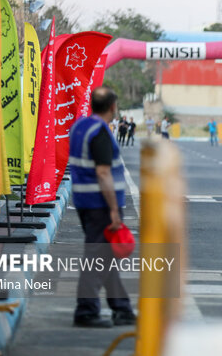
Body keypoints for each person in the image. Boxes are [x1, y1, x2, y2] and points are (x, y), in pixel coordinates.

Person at [69, 86, 135, 328]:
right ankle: (86, 310)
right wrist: (114, 210)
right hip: (100, 205)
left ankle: (122, 308)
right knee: (98, 258)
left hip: (84, 202)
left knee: (105, 256)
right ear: (112, 107)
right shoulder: (100, 132)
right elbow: (103, 172)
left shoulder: (79, 127)